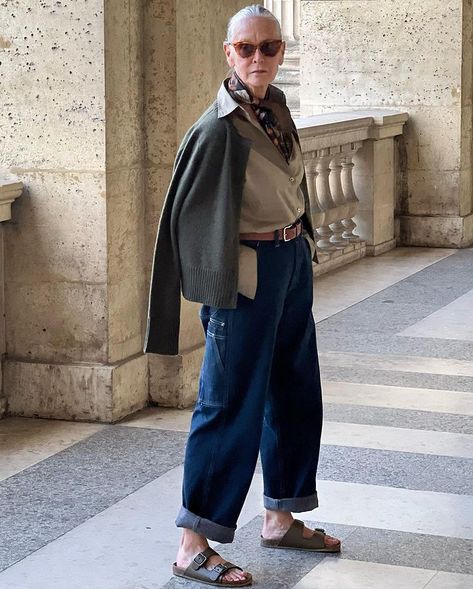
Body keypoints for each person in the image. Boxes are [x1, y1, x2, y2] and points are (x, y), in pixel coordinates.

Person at [144, 4, 341, 587]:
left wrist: (301, 246)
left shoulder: (276, 111)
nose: (260, 58)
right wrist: (219, 293)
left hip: (289, 264)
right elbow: (184, 217)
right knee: (229, 404)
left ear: (281, 52)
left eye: (270, 47)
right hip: (246, 277)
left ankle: (280, 516)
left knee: (295, 391)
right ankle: (191, 543)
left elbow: (295, 187)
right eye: (247, 48)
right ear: (229, 53)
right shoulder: (215, 128)